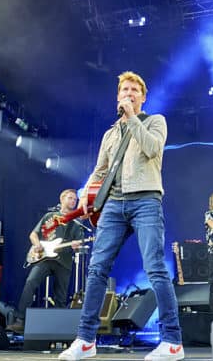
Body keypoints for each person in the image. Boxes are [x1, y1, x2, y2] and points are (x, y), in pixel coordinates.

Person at [59, 71, 184, 361]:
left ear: (142, 97)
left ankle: (173, 342)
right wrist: (86, 191)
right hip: (114, 204)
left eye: (134, 90)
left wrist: (132, 119)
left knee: (155, 267)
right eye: (124, 90)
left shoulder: (155, 121)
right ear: (117, 96)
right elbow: (101, 170)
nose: (128, 93)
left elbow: (152, 148)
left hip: (146, 199)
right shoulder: (109, 134)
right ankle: (86, 339)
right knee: (97, 268)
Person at [7, 189, 84, 332]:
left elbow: (78, 248)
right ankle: (20, 319)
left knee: (60, 296)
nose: (73, 201)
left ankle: (58, 328)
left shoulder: (76, 224)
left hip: (64, 262)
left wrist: (76, 246)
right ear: (62, 199)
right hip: (44, 257)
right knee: (31, 282)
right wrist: (37, 245)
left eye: (75, 199)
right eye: (70, 198)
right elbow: (33, 234)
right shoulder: (50, 216)